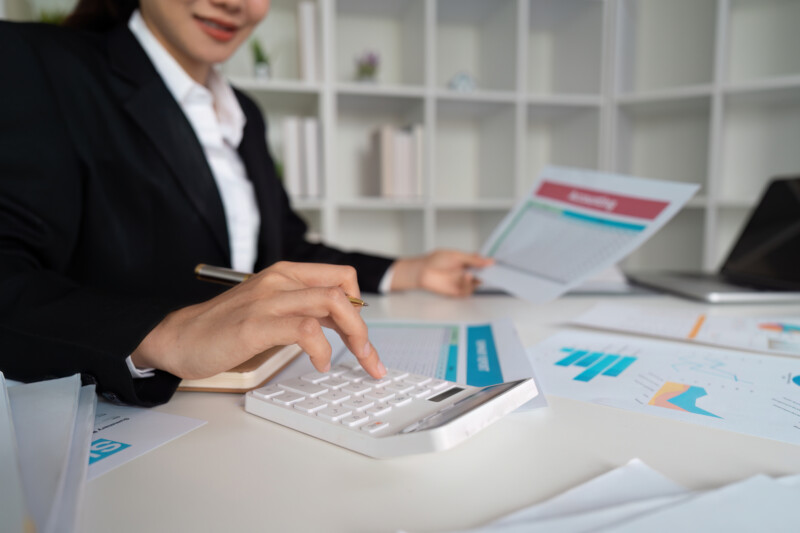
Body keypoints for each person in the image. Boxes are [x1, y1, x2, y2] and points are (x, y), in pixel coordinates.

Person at [0, 0, 493, 406]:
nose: (235, 3)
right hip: (128, 420)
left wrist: (406, 270)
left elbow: (283, 253)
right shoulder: (31, 60)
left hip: (257, 402)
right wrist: (164, 336)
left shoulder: (245, 114)